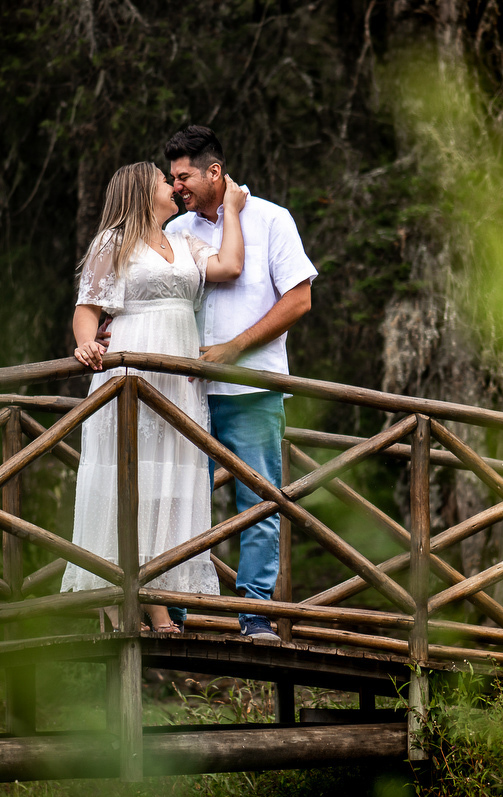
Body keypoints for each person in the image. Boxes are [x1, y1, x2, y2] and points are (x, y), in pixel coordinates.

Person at [62, 161, 248, 633]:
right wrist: (86, 342)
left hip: (179, 379)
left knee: (169, 487)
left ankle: (156, 595)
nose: (173, 186)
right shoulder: (113, 242)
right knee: (127, 481)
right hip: (131, 374)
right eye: (165, 182)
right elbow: (87, 309)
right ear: (144, 192)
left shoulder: (185, 243)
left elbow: (230, 266)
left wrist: (231, 208)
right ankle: (114, 597)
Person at [164, 125, 317, 642]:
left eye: (183, 176)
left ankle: (255, 615)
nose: (177, 185)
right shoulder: (173, 232)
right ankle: (176, 610)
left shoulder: (272, 219)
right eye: (172, 178)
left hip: (252, 391)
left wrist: (233, 351)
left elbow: (298, 300)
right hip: (185, 393)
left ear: (214, 171)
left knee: (259, 504)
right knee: (181, 499)